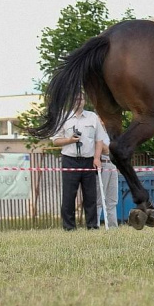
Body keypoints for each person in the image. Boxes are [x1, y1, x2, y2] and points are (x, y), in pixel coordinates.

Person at [51, 94, 105, 231]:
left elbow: (99, 140)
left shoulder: (92, 117)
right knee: (69, 196)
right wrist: (69, 140)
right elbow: (55, 140)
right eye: (75, 99)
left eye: (80, 99)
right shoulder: (64, 117)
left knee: (91, 196)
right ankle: (69, 227)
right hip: (70, 160)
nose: (78, 101)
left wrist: (97, 158)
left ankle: (92, 226)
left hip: (88, 160)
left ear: (84, 101)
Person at [96, 126, 119, 228]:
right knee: (99, 198)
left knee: (112, 199)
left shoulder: (111, 132)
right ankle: (95, 225)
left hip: (113, 164)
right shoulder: (97, 132)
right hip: (103, 163)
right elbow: (103, 148)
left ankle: (113, 226)